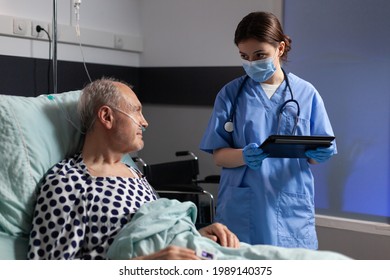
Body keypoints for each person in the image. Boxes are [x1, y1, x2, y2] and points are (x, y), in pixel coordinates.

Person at [27, 78, 239, 260]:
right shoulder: (69, 183)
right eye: (136, 111)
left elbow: (155, 232)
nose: (144, 122)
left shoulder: (134, 173)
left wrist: (196, 236)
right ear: (107, 117)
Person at [199, 11, 336, 249]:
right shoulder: (231, 95)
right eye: (245, 56)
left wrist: (317, 155)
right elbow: (219, 156)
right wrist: (243, 155)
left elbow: (316, 155)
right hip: (243, 207)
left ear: (280, 48)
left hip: (290, 204)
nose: (252, 63)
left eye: (260, 55)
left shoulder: (307, 94)